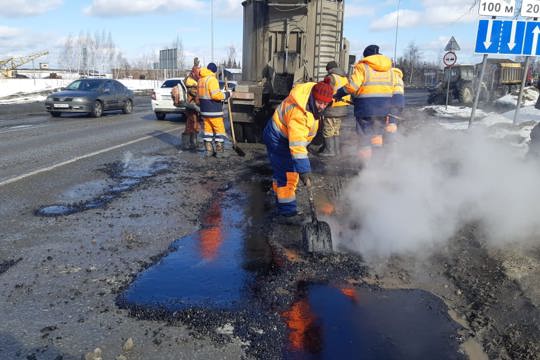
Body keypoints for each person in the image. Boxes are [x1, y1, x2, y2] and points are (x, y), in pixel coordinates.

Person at [263, 80, 334, 225]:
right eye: (320, 102)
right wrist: (305, 171)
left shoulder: (312, 95)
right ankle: (287, 213)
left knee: (289, 173)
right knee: (288, 175)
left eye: (325, 103)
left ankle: (279, 195)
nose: (322, 106)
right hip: (278, 140)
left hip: (286, 137)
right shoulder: (299, 113)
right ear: (314, 97)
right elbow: (297, 146)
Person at [335, 44, 395, 164]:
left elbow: (353, 86)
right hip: (384, 107)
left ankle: (365, 165)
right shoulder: (389, 68)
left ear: (366, 55)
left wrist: (339, 93)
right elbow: (392, 87)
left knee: (365, 136)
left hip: (365, 108)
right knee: (377, 134)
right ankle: (377, 161)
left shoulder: (363, 66)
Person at [197, 62, 230, 157]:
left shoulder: (201, 80)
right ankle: (219, 152)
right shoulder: (212, 80)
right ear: (214, 71)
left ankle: (209, 150)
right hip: (214, 110)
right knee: (219, 129)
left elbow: (200, 95)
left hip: (204, 110)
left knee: (208, 130)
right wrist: (226, 95)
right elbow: (216, 95)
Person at [319, 61, 351, 157]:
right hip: (343, 107)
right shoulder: (344, 77)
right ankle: (337, 150)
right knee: (336, 130)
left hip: (332, 108)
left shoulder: (330, 77)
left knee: (328, 129)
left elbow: (326, 92)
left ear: (329, 69)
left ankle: (329, 151)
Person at [180, 58, 201, 150]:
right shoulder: (191, 82)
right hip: (191, 106)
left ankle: (193, 143)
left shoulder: (192, 80)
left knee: (195, 124)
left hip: (193, 106)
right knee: (190, 124)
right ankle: (186, 144)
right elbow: (194, 93)